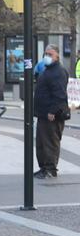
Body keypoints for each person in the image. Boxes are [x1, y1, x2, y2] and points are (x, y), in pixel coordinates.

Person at [34, 45, 70, 179]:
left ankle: (50, 169)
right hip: (43, 113)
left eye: (50, 54)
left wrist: (52, 111)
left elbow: (60, 95)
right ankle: (44, 167)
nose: (47, 56)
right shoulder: (48, 70)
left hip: (52, 115)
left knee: (50, 142)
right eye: (46, 54)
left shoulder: (58, 72)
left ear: (57, 56)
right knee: (41, 143)